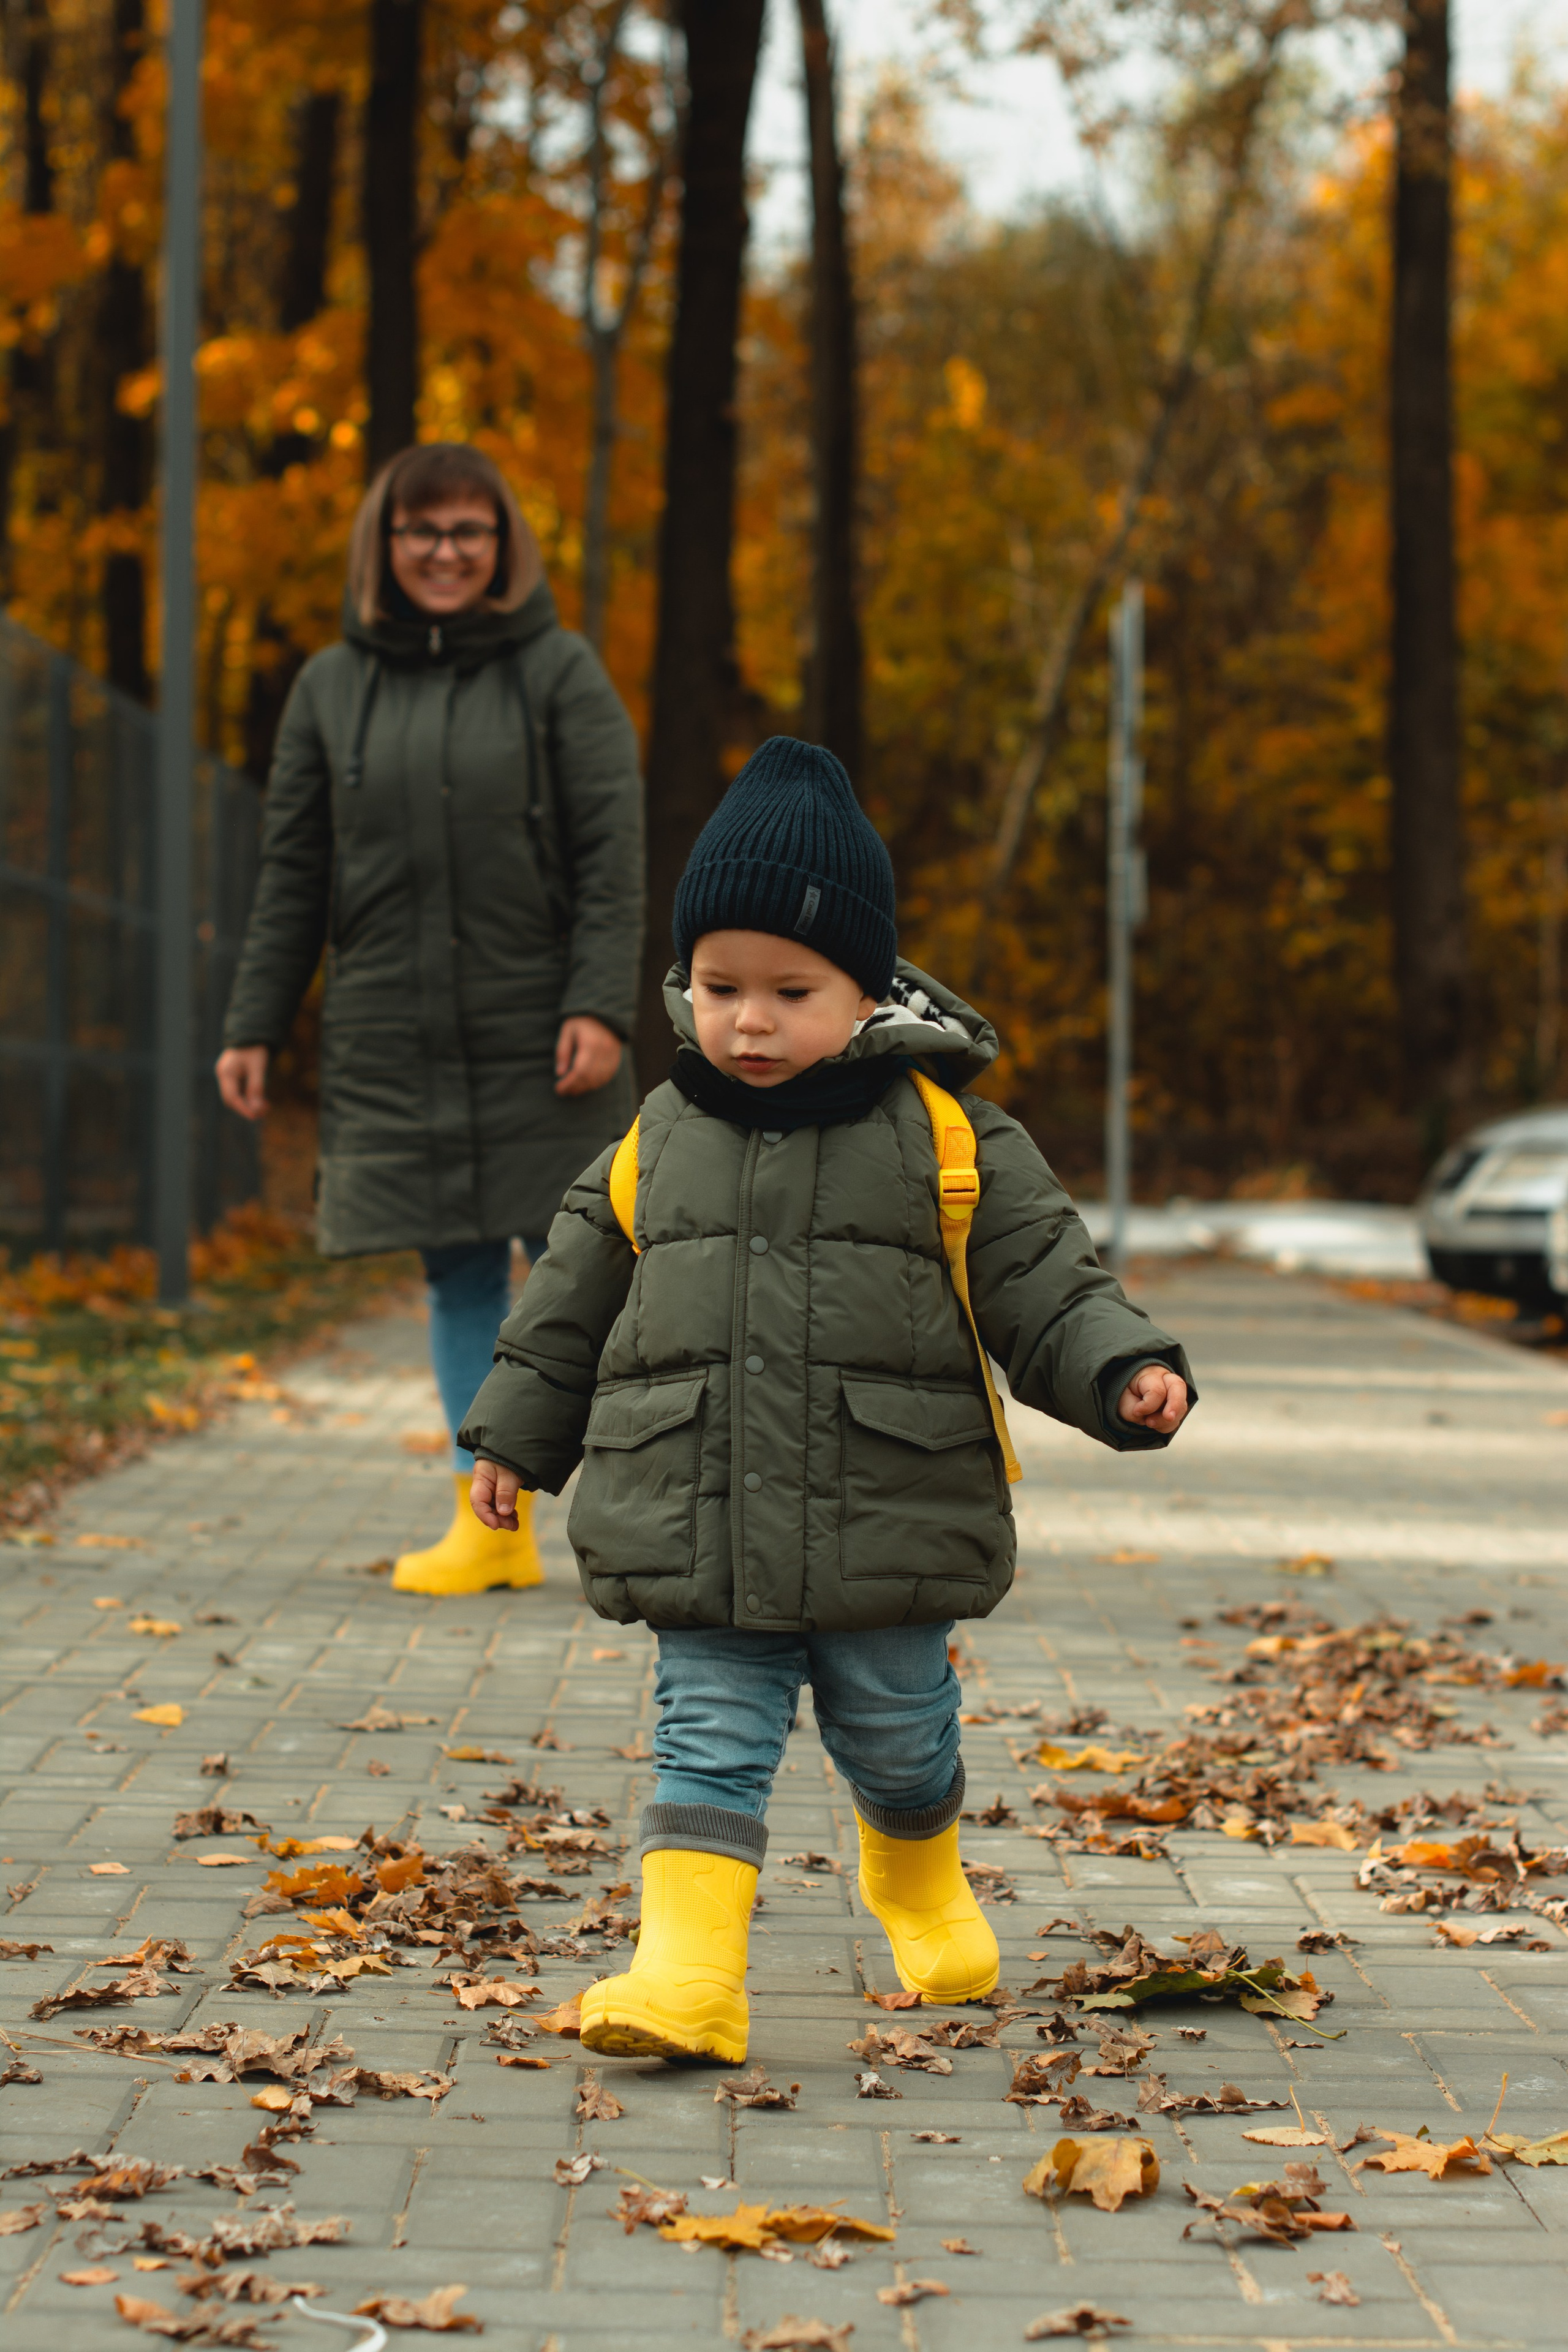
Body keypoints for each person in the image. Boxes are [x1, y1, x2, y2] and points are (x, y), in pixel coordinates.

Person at [456, 734, 1192, 2062]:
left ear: (866, 991)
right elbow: (568, 1299)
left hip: (887, 1510)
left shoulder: (946, 1133)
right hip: (702, 1507)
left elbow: (1043, 1278)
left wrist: (1119, 1367)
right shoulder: (656, 1140)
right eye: (718, 986)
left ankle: (913, 1873)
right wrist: (512, 1438)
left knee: (899, 1741)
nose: (747, 1021)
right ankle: (686, 1978)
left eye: (789, 991)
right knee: (706, 1739)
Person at [216, 442, 643, 1596]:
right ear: (385, 548)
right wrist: (254, 1023)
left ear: (502, 545)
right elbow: (294, 870)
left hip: (543, 1031)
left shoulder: (559, 673)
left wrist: (599, 1001)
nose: (446, 553)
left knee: (592, 1271)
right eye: (422, 533)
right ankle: (491, 1528)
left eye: (469, 531)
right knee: (459, 1275)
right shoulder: (329, 689)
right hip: (395, 1037)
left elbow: (613, 857)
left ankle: (648, 1514)